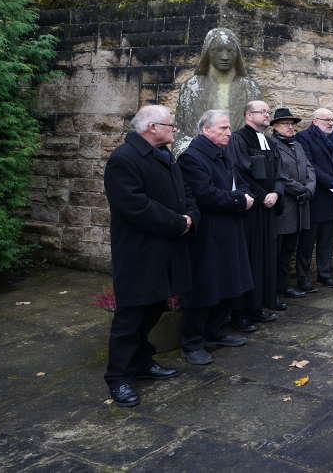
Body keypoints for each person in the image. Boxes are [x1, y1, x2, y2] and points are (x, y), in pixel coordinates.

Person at [103, 105, 199, 407]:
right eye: (170, 124)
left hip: (168, 248)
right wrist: (177, 223)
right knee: (131, 316)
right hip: (140, 252)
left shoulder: (165, 155)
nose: (174, 129)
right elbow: (135, 206)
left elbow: (184, 193)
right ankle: (118, 378)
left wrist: (192, 216)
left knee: (155, 307)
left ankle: (143, 362)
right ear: (151, 127)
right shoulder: (123, 159)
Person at [178, 110, 254, 365]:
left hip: (229, 228)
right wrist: (240, 200)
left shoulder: (223, 154)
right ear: (206, 130)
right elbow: (205, 195)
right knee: (204, 288)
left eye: (228, 128)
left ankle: (216, 330)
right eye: (223, 128)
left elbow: (239, 181)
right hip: (208, 233)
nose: (229, 133)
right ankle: (192, 343)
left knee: (228, 282)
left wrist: (241, 195)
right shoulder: (191, 157)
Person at [228, 100, 285, 330]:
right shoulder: (239, 139)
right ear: (248, 115)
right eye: (263, 112)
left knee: (266, 259)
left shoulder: (270, 142)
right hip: (252, 211)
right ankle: (241, 313)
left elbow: (280, 172)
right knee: (250, 259)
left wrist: (277, 193)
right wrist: (263, 196)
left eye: (267, 111)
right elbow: (240, 172)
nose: (267, 115)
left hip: (269, 210)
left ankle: (259, 307)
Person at [175, 28, 260, 153]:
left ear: (237, 54)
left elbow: (259, 131)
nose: (225, 57)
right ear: (207, 52)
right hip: (200, 156)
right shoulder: (191, 87)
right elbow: (181, 133)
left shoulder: (250, 88)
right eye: (218, 50)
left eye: (230, 51)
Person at [295, 108, 333, 289]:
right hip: (316, 197)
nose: (331, 123)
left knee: (327, 241)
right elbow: (310, 165)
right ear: (315, 120)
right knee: (307, 243)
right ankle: (304, 278)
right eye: (327, 119)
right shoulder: (303, 137)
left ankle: (324, 275)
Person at [269, 109, 317, 302]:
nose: (290, 127)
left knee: (290, 249)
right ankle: (274, 290)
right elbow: (279, 175)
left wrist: (310, 188)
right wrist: (300, 189)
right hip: (285, 206)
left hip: (300, 206)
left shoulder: (297, 145)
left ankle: (284, 286)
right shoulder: (272, 145)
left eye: (292, 124)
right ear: (275, 126)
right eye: (285, 124)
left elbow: (309, 168)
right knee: (278, 251)